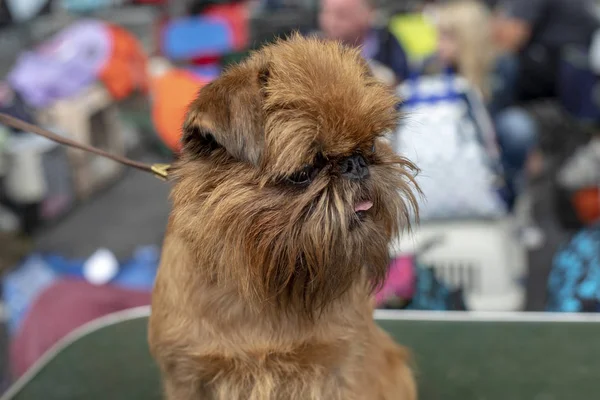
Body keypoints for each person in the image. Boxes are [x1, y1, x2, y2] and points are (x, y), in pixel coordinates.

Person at [318, 0, 410, 84]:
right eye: (326, 13)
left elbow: (404, 79)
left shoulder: (388, 43)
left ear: (367, 14)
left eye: (342, 15)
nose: (331, 22)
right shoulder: (315, 47)